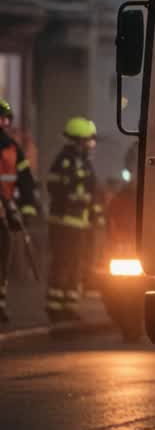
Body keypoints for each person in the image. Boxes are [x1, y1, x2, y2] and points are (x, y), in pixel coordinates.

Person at [46, 117, 104, 322]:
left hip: (80, 224)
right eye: (89, 140)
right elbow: (53, 185)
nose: (91, 145)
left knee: (75, 265)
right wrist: (71, 199)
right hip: (63, 223)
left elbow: (92, 193)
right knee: (62, 264)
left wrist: (96, 215)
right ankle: (55, 307)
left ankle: (69, 307)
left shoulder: (84, 163)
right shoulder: (64, 161)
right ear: (79, 140)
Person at [0, 98, 39, 324]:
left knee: (3, 262)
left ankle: (1, 306)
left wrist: (25, 212)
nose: (2, 124)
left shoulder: (13, 149)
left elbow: (26, 182)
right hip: (5, 212)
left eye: (5, 119)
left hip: (4, 216)